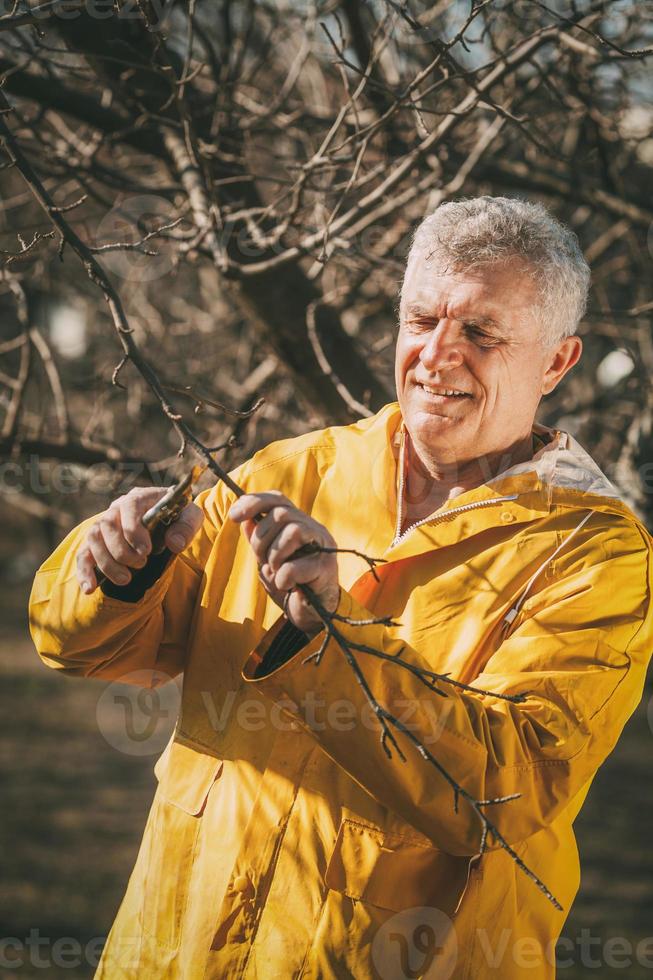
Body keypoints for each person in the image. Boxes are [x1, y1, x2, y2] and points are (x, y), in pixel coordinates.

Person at [29, 197, 653, 979]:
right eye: (421, 319)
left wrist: (332, 638)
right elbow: (78, 647)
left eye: (481, 334)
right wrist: (114, 571)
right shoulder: (286, 473)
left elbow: (507, 790)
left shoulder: (593, 553)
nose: (436, 355)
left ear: (557, 363)